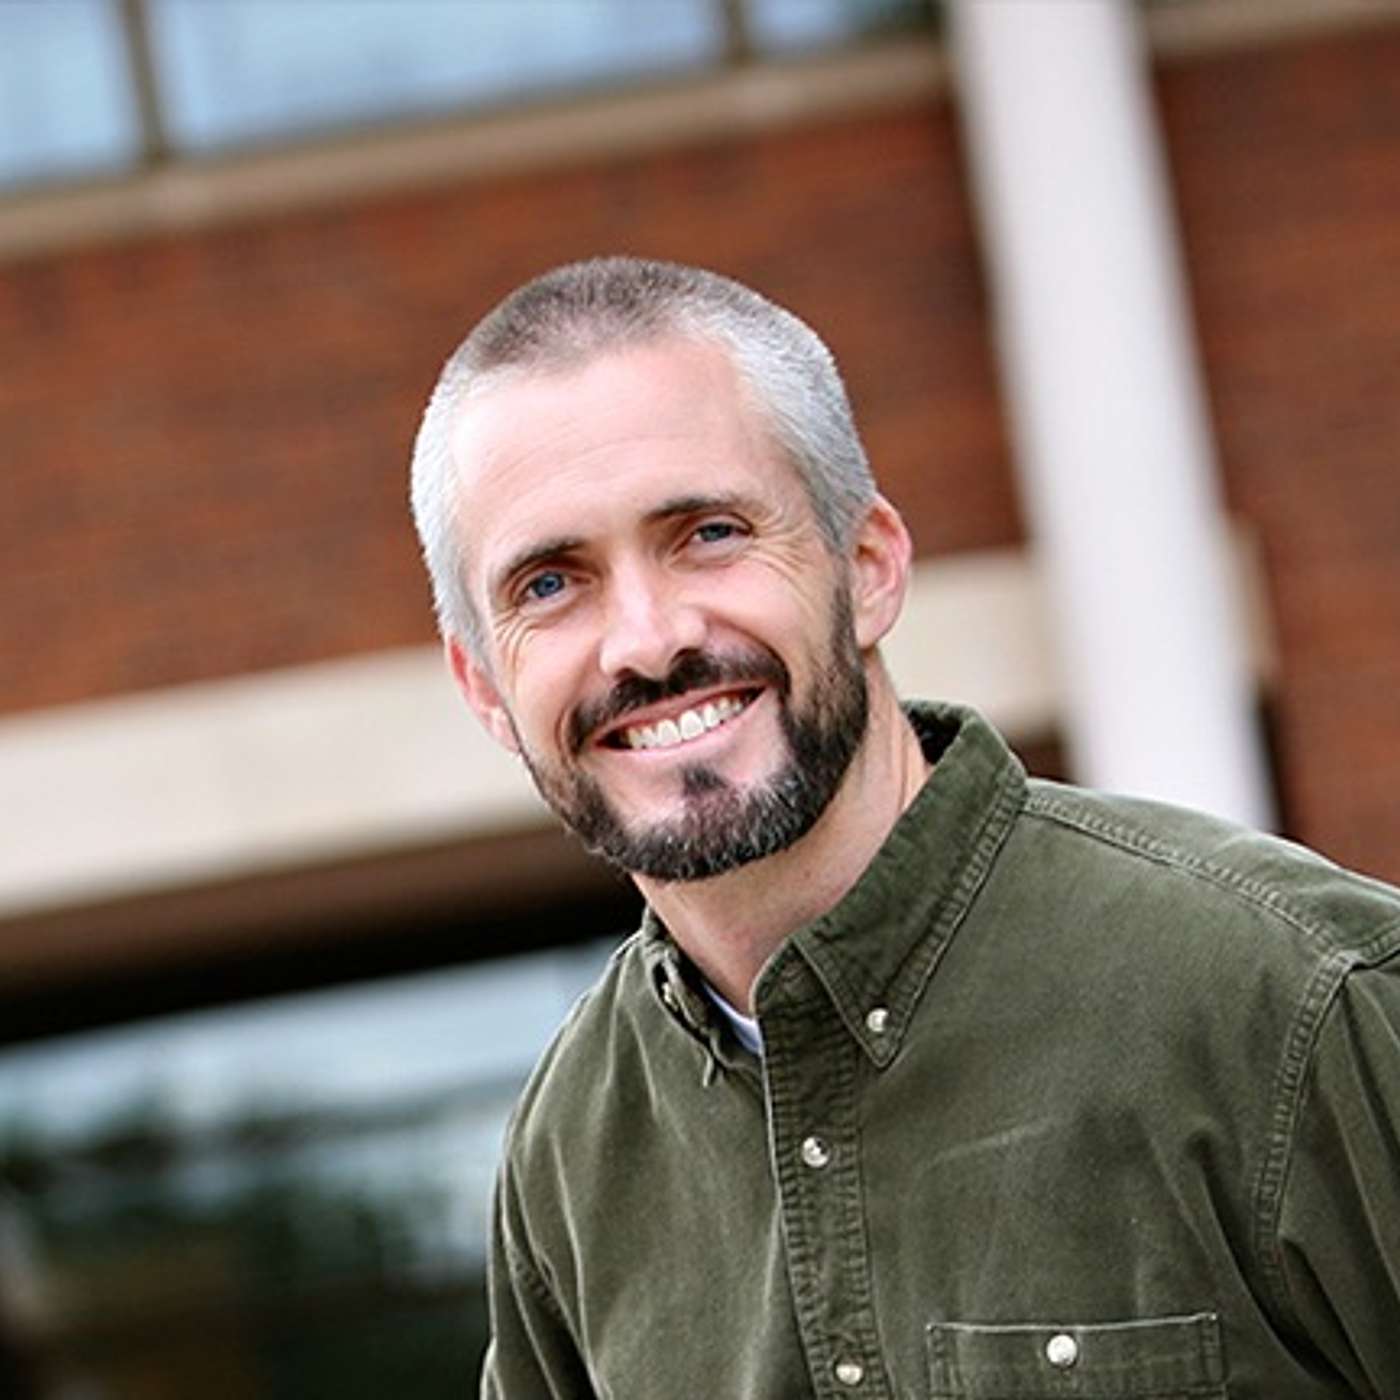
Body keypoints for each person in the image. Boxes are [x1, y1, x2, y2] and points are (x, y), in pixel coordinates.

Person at [409, 257, 1400, 1399]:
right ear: (483, 687)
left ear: (868, 567)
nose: (644, 637)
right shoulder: (568, 1161)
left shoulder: (1300, 999)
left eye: (709, 532)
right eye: (548, 584)